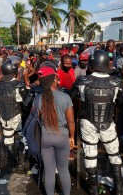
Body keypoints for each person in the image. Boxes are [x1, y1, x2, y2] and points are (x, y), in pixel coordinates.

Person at [72, 50, 123, 195]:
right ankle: (120, 189)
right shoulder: (116, 82)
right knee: (114, 155)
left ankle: (93, 189)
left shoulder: (82, 81)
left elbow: (71, 97)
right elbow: (121, 103)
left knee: (90, 155)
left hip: (88, 123)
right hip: (108, 123)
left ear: (92, 64)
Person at [35, 66, 75, 195]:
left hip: (45, 137)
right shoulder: (65, 97)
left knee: (49, 170)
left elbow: (34, 119)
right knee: (63, 169)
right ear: (53, 79)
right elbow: (71, 121)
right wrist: (72, 137)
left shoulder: (38, 98)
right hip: (62, 136)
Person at [0, 59, 26, 170]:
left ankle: (12, 162)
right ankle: (20, 162)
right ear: (15, 72)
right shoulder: (18, 85)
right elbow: (25, 101)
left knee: (8, 139)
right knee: (23, 139)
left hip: (4, 117)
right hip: (17, 116)